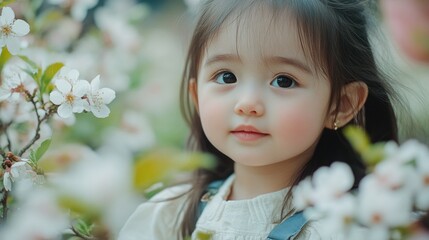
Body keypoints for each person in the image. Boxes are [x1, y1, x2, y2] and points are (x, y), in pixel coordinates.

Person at [118, 0, 399, 239]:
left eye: (284, 81)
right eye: (226, 76)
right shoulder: (166, 219)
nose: (248, 104)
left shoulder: (347, 228)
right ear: (197, 94)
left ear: (341, 105)